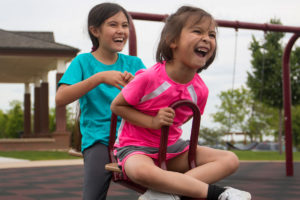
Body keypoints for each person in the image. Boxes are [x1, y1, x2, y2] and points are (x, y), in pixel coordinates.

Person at [111, 5, 251, 200]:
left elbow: (182, 121)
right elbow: (117, 106)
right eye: (197, 31)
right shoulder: (149, 78)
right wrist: (152, 122)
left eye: (211, 35)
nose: (206, 38)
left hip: (173, 149)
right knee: (141, 172)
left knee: (230, 160)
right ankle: (217, 194)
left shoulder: (200, 90)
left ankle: (163, 194)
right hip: (136, 148)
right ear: (172, 41)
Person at [55, 3, 146, 200]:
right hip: (101, 140)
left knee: (165, 181)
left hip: (135, 138)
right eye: (113, 25)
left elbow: (151, 99)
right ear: (95, 30)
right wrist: (100, 77)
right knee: (93, 196)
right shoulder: (83, 62)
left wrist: (137, 87)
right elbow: (61, 98)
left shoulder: (134, 64)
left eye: (124, 25)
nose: (121, 30)